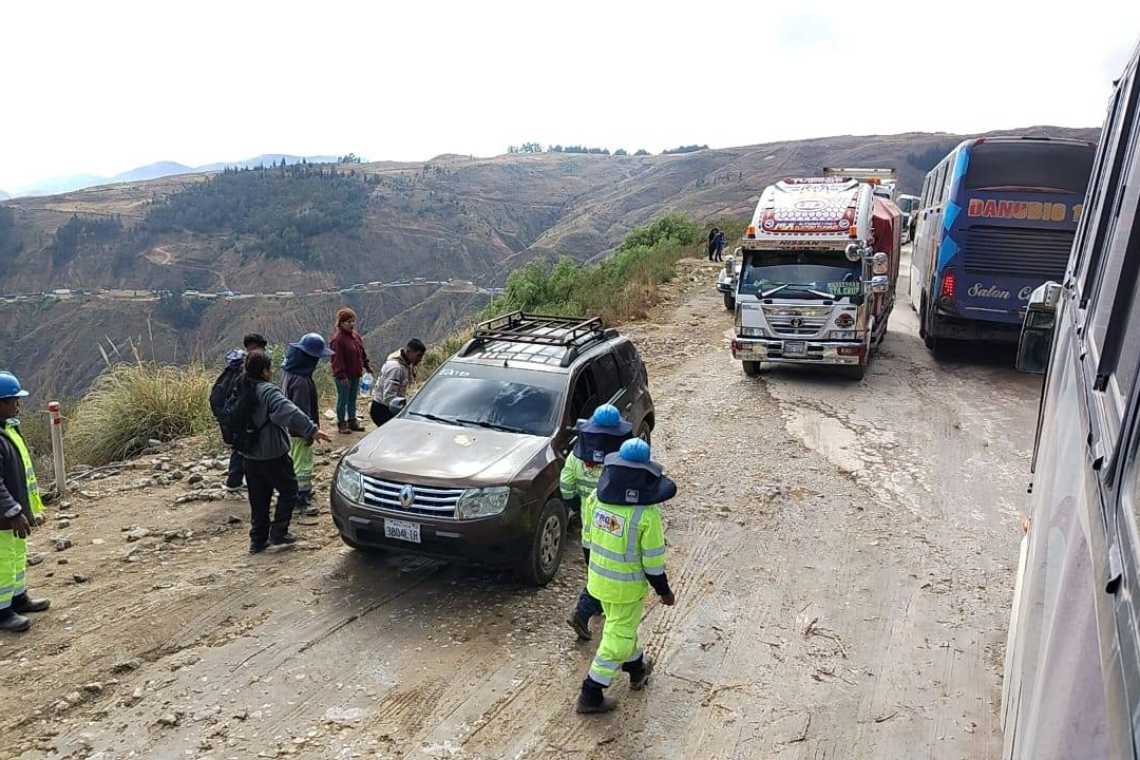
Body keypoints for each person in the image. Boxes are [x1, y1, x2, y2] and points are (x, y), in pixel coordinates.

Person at [577, 438, 677, 714]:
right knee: (618, 637)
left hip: (598, 581)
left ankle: (637, 668)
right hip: (626, 589)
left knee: (621, 627)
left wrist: (592, 573)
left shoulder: (595, 498)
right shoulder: (646, 514)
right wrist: (664, 592)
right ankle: (591, 693)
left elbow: (587, 540)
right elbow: (653, 564)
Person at [237, 352, 332, 554]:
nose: (272, 371)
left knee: (259, 499)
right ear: (263, 371)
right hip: (272, 454)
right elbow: (290, 412)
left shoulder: (241, 387)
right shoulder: (267, 391)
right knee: (289, 490)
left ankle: (258, 540)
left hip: (248, 455)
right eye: (270, 368)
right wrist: (312, 430)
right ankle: (279, 533)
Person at [562, 404, 633, 642]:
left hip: (589, 533)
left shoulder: (576, 457)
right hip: (613, 532)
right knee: (605, 576)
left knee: (596, 570)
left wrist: (577, 508)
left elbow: (566, 486)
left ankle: (599, 607)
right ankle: (582, 613)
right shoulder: (620, 462)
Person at [0, 372, 50, 633]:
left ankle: (17, 598)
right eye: (12, 400)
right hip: (3, 519)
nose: (17, 405)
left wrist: (26, 510)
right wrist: (12, 511)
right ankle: (2, 612)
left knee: (17, 556)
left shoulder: (8, 430)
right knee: (3, 562)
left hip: (12, 515)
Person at [281, 333, 332, 517]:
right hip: (298, 432)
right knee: (302, 467)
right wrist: (310, 432)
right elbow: (301, 412)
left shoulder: (289, 372)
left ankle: (297, 495)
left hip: (289, 429)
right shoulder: (302, 381)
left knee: (295, 461)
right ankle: (300, 501)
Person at [212, 333, 268, 491]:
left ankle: (235, 479)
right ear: (255, 348)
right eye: (261, 349)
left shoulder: (236, 364)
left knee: (240, 444)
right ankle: (236, 481)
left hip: (231, 412)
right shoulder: (246, 368)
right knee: (243, 444)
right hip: (241, 413)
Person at [330, 308, 373, 434]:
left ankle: (352, 421)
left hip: (355, 373)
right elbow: (337, 359)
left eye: (353, 321)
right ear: (341, 323)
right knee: (342, 399)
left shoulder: (355, 336)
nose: (351, 324)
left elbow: (361, 353)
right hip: (344, 376)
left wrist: (367, 366)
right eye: (348, 321)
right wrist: (342, 376)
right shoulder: (337, 340)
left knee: (352, 398)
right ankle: (341, 423)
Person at [371, 338, 426, 427]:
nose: (420, 359)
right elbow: (389, 397)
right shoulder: (395, 368)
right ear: (409, 351)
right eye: (418, 356)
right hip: (383, 409)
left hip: (388, 407)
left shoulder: (404, 365)